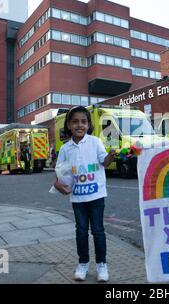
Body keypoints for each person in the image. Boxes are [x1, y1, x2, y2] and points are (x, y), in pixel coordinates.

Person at [54, 106, 116, 282]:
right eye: (75, 121)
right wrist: (58, 186)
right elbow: (58, 173)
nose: (79, 125)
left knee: (98, 231)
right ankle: (83, 263)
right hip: (78, 198)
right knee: (81, 231)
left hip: (96, 196)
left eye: (83, 121)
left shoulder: (95, 142)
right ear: (68, 125)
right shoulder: (65, 149)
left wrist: (111, 155)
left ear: (88, 125)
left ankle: (102, 265)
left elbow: (104, 162)